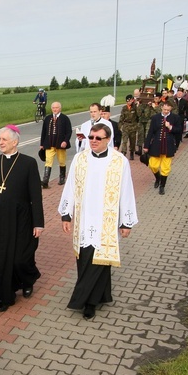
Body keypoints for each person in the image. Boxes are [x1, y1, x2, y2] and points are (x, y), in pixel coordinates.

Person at [58, 124, 138, 319]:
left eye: (97, 138)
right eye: (91, 137)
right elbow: (70, 186)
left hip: (106, 222)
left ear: (108, 140)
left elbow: (126, 191)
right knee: (85, 259)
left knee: (101, 262)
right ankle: (101, 295)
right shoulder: (80, 158)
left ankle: (88, 302)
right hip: (84, 220)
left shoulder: (119, 161)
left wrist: (125, 222)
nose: (93, 140)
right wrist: (66, 214)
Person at [0, 125, 44, 312]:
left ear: (15, 142)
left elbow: (35, 196)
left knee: (20, 258)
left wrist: (38, 223)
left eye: (4, 140)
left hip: (21, 219)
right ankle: (6, 290)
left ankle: (29, 279)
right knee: (0, 258)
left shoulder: (28, 163)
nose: (0, 142)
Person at [143, 101, 183, 195]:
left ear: (171, 109)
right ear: (161, 108)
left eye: (168, 110)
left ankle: (162, 186)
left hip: (168, 145)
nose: (166, 111)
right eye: (164, 109)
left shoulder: (175, 117)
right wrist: (146, 146)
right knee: (153, 165)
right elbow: (150, 132)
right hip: (156, 144)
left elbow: (179, 130)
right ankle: (158, 178)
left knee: (166, 167)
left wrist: (170, 127)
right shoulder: (155, 118)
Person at [39, 101, 72, 187]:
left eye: (56, 108)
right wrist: (42, 144)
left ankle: (62, 178)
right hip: (49, 144)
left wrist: (65, 141)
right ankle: (45, 181)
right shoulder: (47, 118)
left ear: (60, 108)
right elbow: (44, 132)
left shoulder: (65, 118)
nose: (55, 109)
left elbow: (69, 132)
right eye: (53, 108)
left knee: (61, 161)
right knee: (48, 161)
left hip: (60, 145)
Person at [118, 94, 142, 160]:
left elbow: (139, 114)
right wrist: (119, 126)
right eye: (128, 101)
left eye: (131, 100)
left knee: (132, 141)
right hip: (126, 126)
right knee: (124, 141)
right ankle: (124, 152)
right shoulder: (124, 108)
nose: (129, 102)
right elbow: (121, 117)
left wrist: (137, 106)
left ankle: (132, 152)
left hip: (133, 126)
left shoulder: (135, 107)